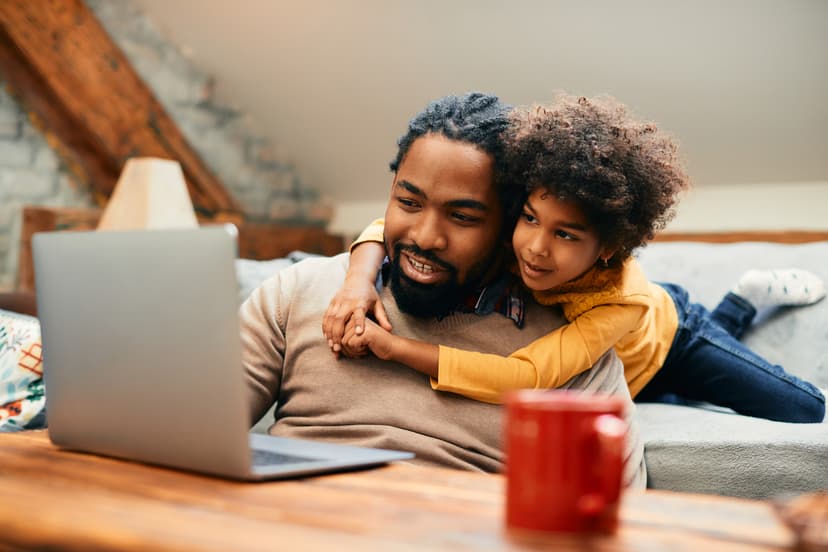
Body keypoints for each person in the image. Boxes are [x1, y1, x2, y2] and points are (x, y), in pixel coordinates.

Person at [325, 95, 826, 424]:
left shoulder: (619, 304)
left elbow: (527, 376)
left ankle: (741, 301)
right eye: (530, 218)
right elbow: (392, 227)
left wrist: (396, 349)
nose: (536, 248)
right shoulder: (513, 238)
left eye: (565, 234)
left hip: (669, 342)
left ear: (608, 246)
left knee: (802, 408)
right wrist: (357, 281)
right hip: (619, 375)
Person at [241, 92, 647, 487]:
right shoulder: (298, 291)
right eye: (409, 202)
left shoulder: (572, 356)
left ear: (508, 227)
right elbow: (205, 430)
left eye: (462, 217)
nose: (425, 237)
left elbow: (621, 512)